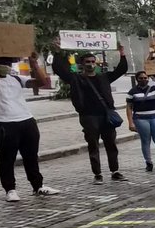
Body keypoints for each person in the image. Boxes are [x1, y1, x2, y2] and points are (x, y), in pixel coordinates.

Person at [0, 51, 59, 201]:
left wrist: (34, 63)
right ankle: (10, 189)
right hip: (3, 123)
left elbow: (41, 82)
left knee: (31, 156)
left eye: (8, 63)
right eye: (2, 63)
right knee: (7, 158)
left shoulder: (16, 79)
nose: (6, 66)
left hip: (26, 120)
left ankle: (38, 186)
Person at [52, 48, 128, 184]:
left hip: (106, 115)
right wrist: (57, 52)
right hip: (89, 116)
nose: (91, 64)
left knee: (111, 144)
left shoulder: (104, 77)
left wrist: (122, 54)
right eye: (87, 62)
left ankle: (115, 171)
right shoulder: (77, 79)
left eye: (93, 61)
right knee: (93, 145)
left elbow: (121, 70)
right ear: (82, 64)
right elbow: (60, 70)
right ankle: (97, 174)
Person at [125, 70, 155, 172]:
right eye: (141, 78)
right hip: (141, 119)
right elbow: (129, 107)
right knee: (145, 141)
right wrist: (130, 122)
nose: (143, 80)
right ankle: (148, 162)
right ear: (137, 79)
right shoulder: (132, 92)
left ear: (148, 78)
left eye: (145, 78)